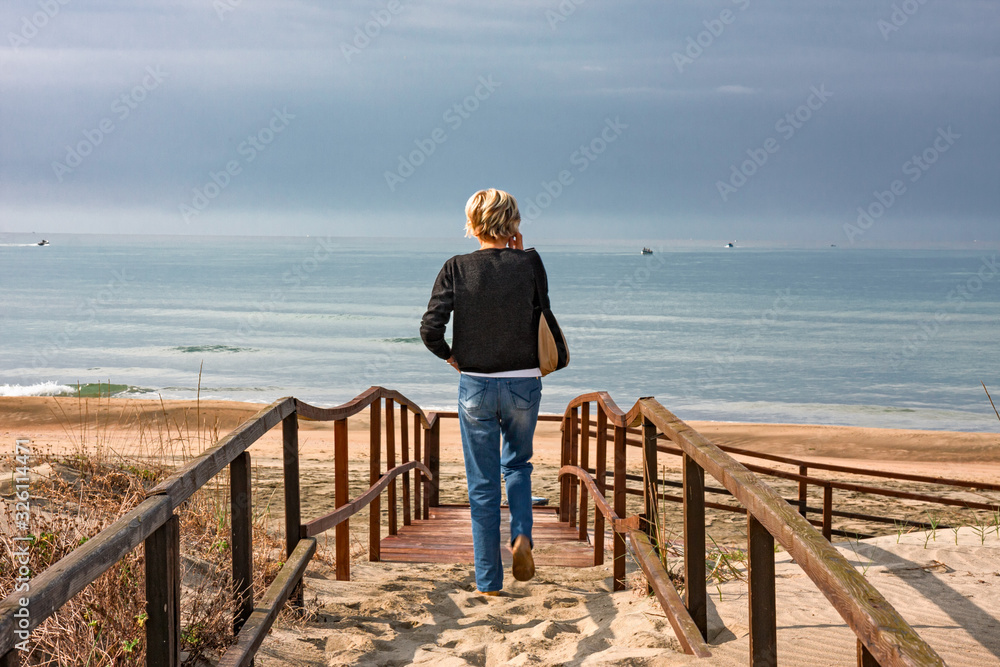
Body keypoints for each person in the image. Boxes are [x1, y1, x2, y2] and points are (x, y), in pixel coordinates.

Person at [420, 188, 546, 596]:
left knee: (482, 484)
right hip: (524, 382)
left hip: (476, 383)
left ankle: (489, 582)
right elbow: (540, 313)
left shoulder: (456, 267)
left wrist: (451, 356)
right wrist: (521, 256)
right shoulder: (530, 263)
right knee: (518, 465)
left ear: (472, 225)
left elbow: (430, 328)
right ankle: (522, 534)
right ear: (513, 224)